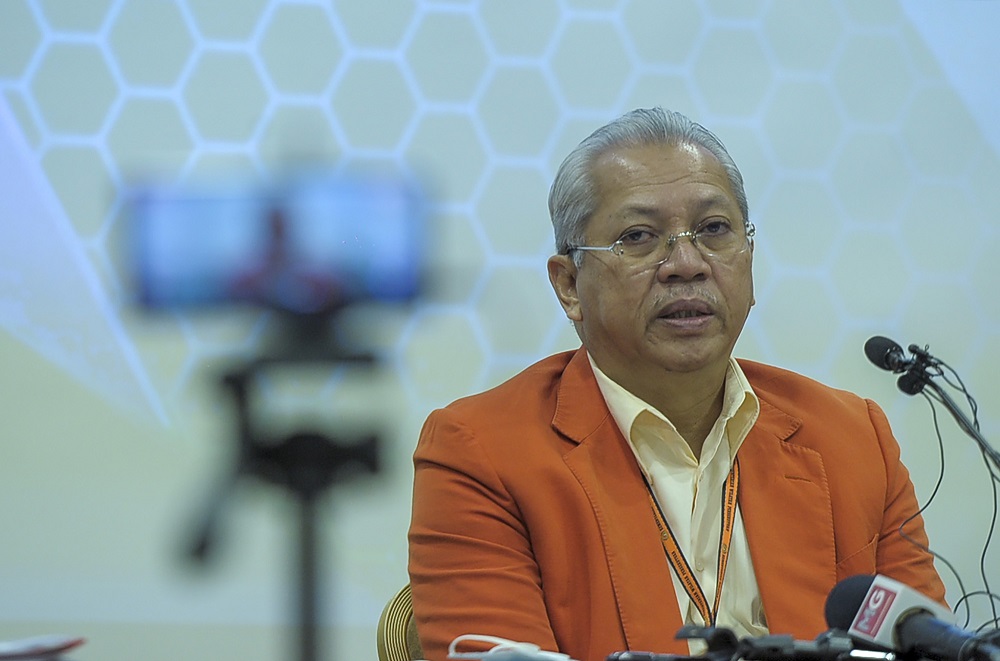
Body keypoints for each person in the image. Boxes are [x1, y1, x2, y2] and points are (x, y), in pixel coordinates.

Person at [407, 107, 945, 661]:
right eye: (639, 237)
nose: (686, 263)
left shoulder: (853, 437)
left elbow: (930, 646)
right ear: (570, 286)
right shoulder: (482, 451)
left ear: (749, 257)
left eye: (714, 230)